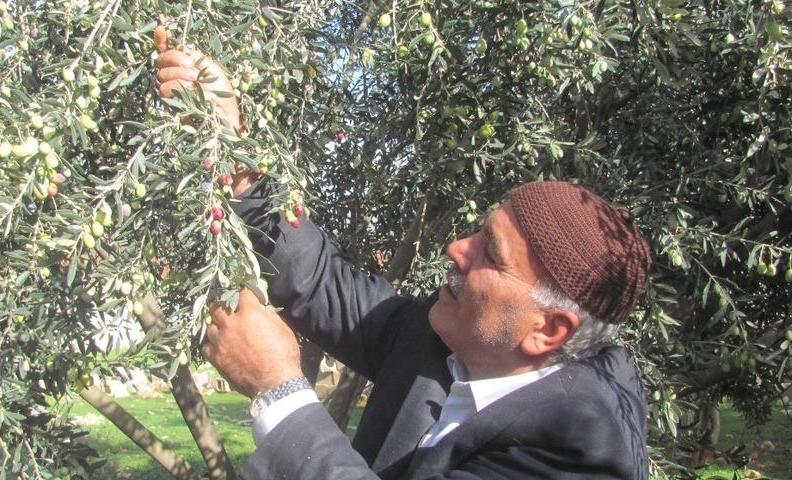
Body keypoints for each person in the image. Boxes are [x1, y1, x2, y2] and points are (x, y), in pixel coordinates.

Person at [155, 27, 651, 480]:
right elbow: (322, 282)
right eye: (478, 233)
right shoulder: (440, 340)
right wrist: (231, 141)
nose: (456, 249)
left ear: (547, 329)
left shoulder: (581, 452)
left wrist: (278, 388)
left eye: (490, 255)